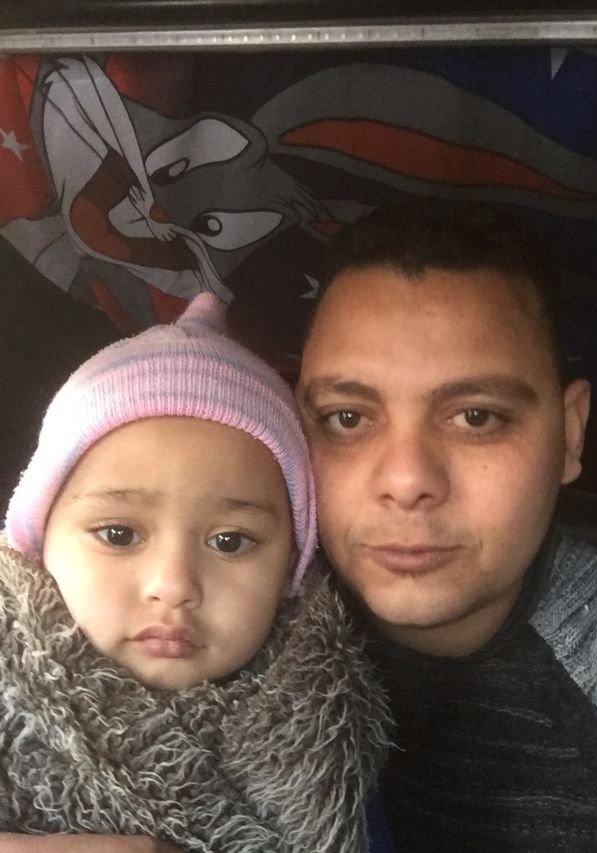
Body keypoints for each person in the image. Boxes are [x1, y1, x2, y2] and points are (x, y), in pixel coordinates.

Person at [296, 199, 597, 852]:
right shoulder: (219, 604)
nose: (406, 480)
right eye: (347, 417)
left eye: (476, 417)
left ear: (570, 434)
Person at [0, 293, 391, 853]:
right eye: (119, 535)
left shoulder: (338, 728)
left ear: (291, 568)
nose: (174, 585)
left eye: (230, 542)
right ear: (38, 539)